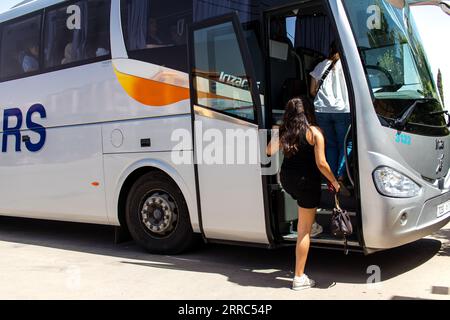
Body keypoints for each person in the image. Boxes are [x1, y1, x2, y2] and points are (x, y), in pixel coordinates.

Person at [267, 97, 340, 290]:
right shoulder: (315, 133)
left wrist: (277, 131)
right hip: (307, 183)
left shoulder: (285, 132)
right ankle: (299, 278)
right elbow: (322, 164)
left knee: (304, 212)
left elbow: (269, 151)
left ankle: (311, 222)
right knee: (303, 231)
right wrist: (334, 181)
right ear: (308, 112)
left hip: (287, 181)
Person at [310, 41, 351, 195]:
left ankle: (331, 179)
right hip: (343, 110)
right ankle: (340, 178)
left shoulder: (320, 65)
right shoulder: (348, 65)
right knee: (346, 144)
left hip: (322, 110)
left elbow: (312, 91)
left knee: (331, 145)